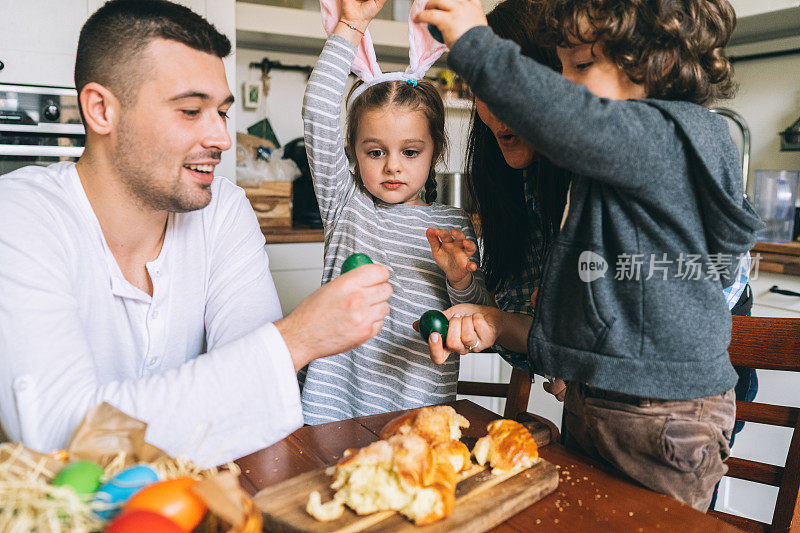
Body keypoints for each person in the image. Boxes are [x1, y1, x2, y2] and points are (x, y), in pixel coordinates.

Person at [0, 0, 391, 465]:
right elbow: (60, 436)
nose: (223, 138)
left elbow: (259, 411)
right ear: (101, 109)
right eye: (190, 110)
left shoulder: (223, 210)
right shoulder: (21, 216)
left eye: (221, 112)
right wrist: (296, 340)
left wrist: (263, 366)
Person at [417, 0, 762, 511]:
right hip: (597, 399)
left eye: (580, 65)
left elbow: (579, 121)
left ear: (656, 64)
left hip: (661, 414)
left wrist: (474, 43)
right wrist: (503, 319)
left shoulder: (665, 134)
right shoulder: (612, 163)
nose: (567, 85)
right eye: (559, 69)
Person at [299, 0, 489, 424]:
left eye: (409, 151)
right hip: (331, 411)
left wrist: (460, 279)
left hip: (419, 410)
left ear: (435, 152)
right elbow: (317, 112)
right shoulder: (345, 203)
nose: (392, 166)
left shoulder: (452, 226)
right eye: (375, 151)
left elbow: (477, 314)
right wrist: (349, 27)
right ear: (352, 152)